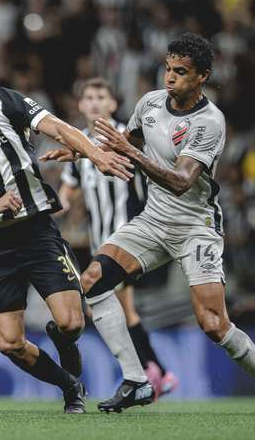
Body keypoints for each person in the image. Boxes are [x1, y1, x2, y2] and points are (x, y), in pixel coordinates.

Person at [41, 33, 255, 415]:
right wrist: (80, 153)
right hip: (153, 221)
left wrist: (130, 152)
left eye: (182, 71)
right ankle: (136, 380)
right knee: (93, 280)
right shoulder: (150, 103)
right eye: (168, 69)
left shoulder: (209, 122)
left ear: (202, 76)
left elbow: (180, 181)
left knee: (213, 323)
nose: (171, 77)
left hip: (195, 227)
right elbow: (125, 139)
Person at [0, 45, 136, 413]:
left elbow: (58, 127)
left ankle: (62, 339)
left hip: (36, 232)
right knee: (9, 343)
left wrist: (96, 155)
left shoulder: (8, 103)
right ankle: (70, 386)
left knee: (71, 323)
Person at [56, 77, 178, 399]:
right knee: (121, 309)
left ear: (112, 104)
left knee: (109, 302)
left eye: (101, 96)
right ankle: (156, 372)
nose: (95, 102)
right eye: (89, 97)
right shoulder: (80, 143)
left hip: (128, 236)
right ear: (81, 105)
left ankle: (147, 373)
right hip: (101, 241)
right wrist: (56, 204)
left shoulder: (128, 137)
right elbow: (68, 191)